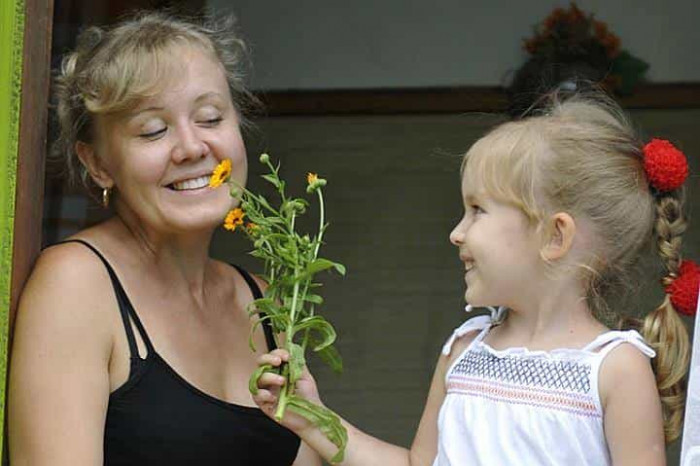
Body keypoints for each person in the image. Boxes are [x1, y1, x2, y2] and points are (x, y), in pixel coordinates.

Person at [254, 91, 696, 465]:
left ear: (555, 235)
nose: (456, 232)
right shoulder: (464, 351)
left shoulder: (615, 369)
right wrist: (312, 417)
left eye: (477, 210)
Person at [8, 12, 320, 466]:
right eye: (154, 130)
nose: (192, 147)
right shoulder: (77, 284)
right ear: (98, 164)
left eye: (210, 118)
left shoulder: (265, 301)